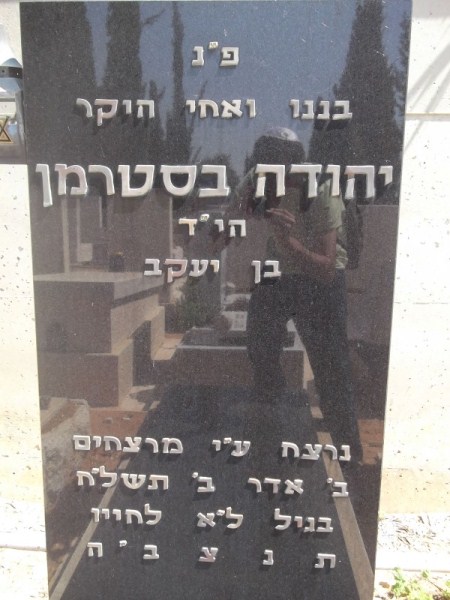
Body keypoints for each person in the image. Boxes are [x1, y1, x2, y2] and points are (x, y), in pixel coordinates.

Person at [239, 127, 362, 461]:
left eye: (279, 169)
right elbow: (238, 206)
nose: (270, 177)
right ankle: (271, 424)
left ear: (294, 166)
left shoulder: (322, 191)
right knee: (260, 346)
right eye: (266, 169)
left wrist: (287, 241)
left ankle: (350, 458)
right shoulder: (258, 179)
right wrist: (261, 211)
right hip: (278, 274)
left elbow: (326, 267)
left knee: (330, 371)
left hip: (319, 281)